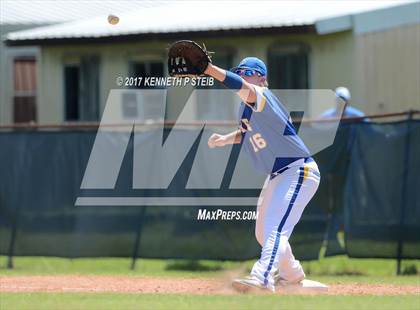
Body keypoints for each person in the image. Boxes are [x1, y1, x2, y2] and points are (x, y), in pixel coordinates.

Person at [204, 57, 321, 292]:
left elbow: (242, 87)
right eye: (239, 71)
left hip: (298, 170)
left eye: (247, 72)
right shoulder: (248, 107)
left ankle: (262, 278)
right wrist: (225, 139)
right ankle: (292, 276)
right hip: (278, 175)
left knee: (276, 228)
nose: (243, 75)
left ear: (262, 78)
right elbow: (246, 133)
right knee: (263, 232)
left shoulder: (261, 94)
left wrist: (209, 69)